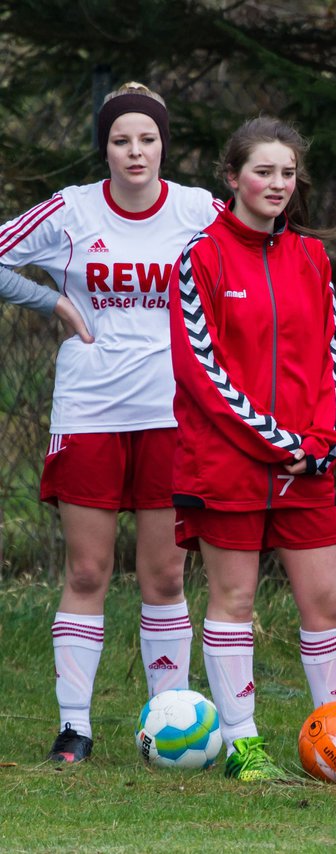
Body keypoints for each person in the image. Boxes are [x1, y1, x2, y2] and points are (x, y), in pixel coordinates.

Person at [167, 115, 336, 787]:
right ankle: (242, 744)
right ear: (232, 176)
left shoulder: (312, 257)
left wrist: (324, 442)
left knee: (326, 602)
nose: (275, 184)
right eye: (262, 171)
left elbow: (333, 355)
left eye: (287, 173)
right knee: (233, 599)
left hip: (306, 467)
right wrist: (276, 444)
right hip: (230, 465)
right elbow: (201, 374)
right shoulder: (200, 258)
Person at [0, 82, 221, 764]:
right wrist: (48, 302)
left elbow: (249, 267)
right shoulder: (72, 210)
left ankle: (171, 723)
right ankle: (76, 728)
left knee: (164, 578)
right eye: (121, 140)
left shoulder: (196, 209)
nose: (135, 152)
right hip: (90, 410)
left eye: (147, 139)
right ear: (106, 147)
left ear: (163, 145)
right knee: (89, 571)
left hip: (173, 413)